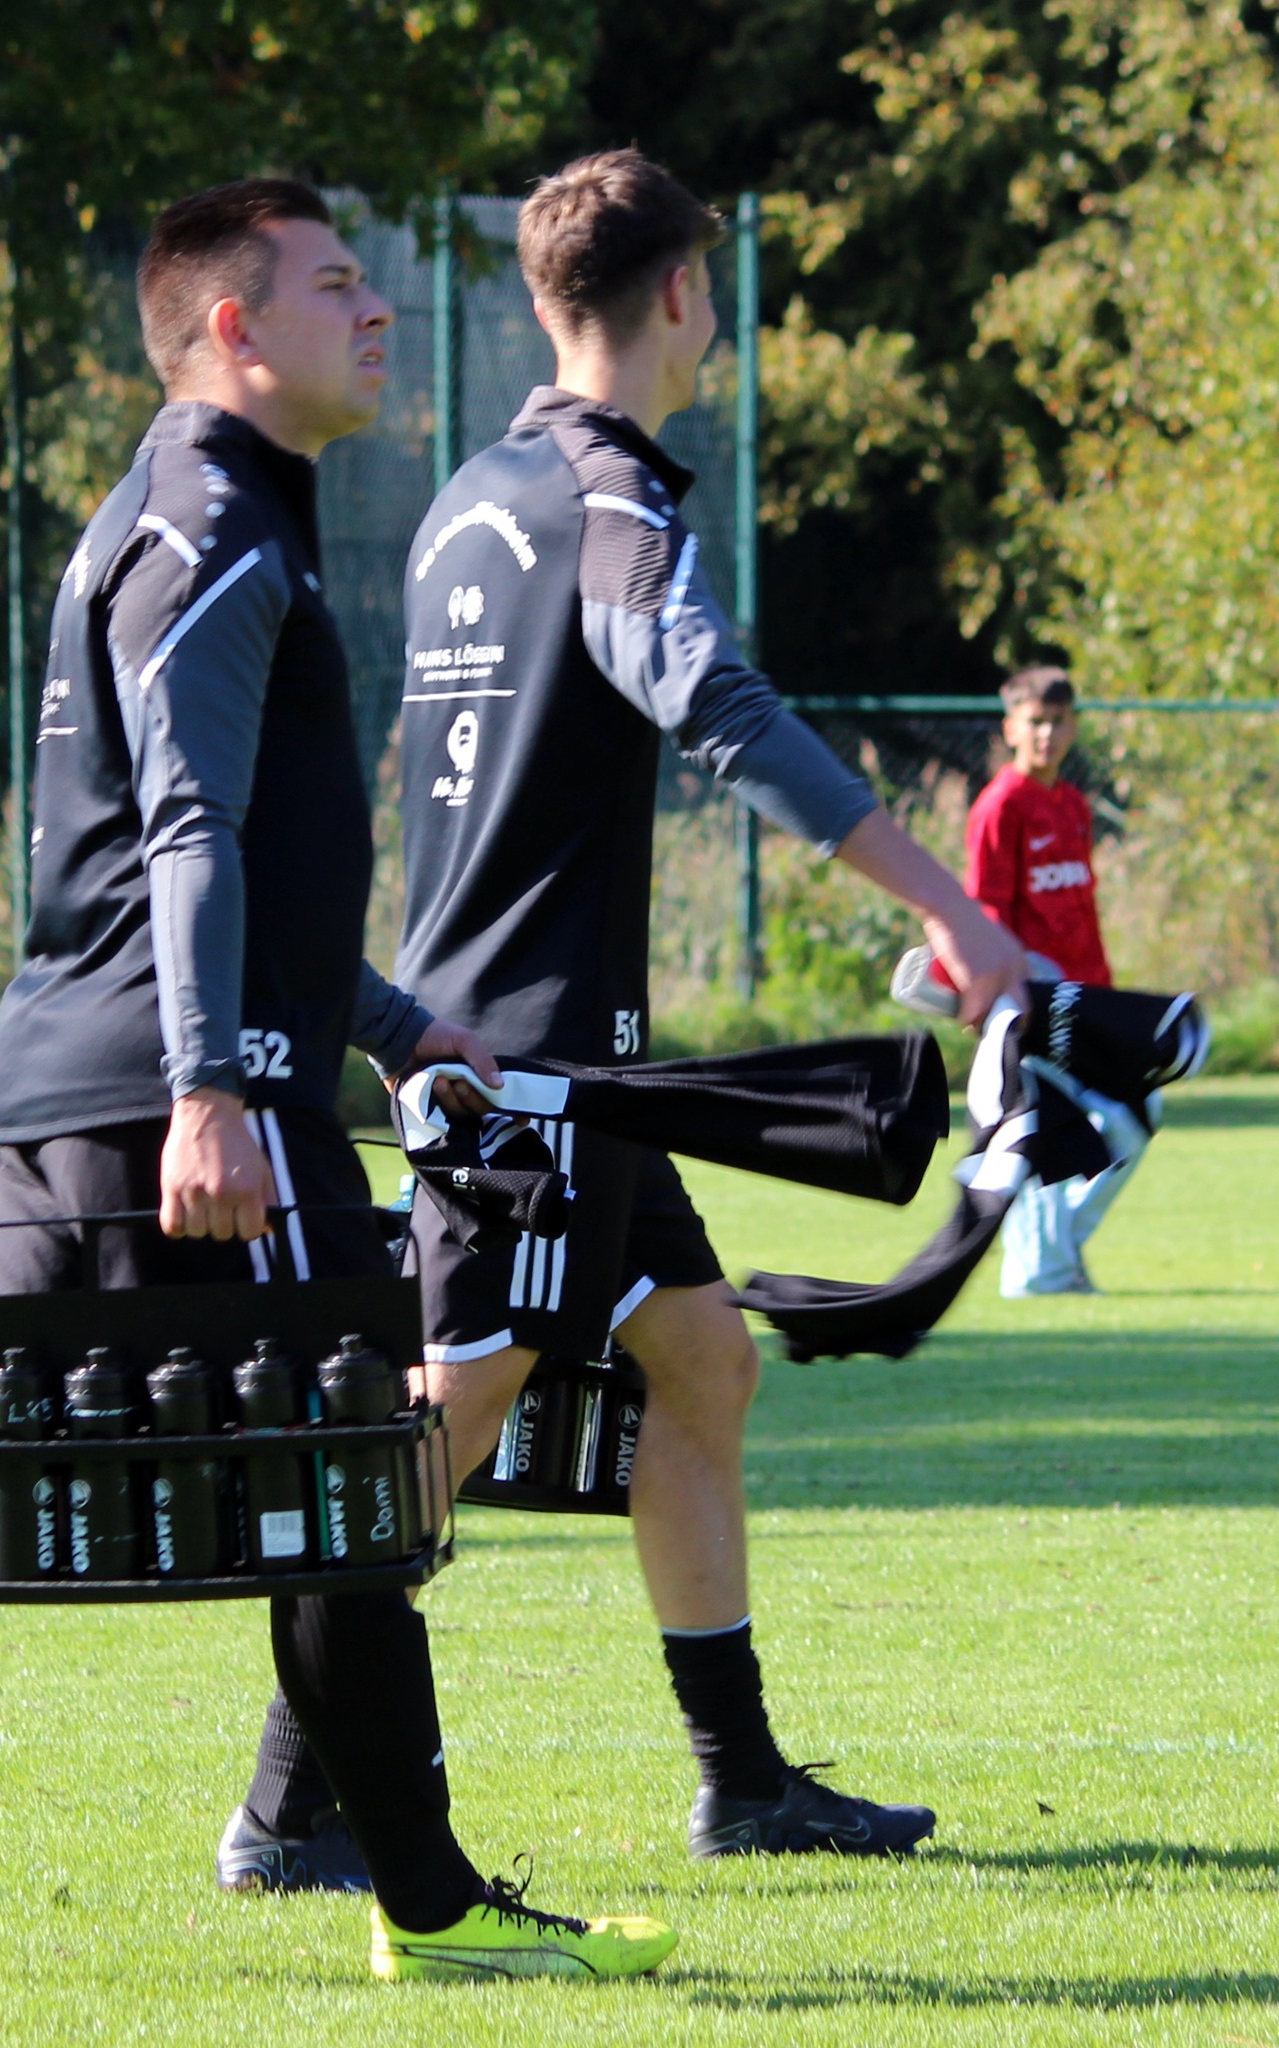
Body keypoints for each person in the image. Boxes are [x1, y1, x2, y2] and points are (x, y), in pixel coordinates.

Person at [0, 178, 675, 1988]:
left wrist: (386, 1020)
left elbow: (220, 859)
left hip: (85, 1078)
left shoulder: (181, 509)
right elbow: (189, 823)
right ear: (232, 328)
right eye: (332, 283)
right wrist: (215, 1084)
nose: (375, 309)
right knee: (348, 1460)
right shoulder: (215, 519)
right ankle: (433, 1909)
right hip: (185, 1095)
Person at [225, 149, 1027, 1883]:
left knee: (702, 1361)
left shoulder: (469, 498)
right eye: (709, 284)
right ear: (681, 296)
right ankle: (286, 1810)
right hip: (524, 1070)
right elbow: (716, 704)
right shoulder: (610, 503)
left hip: (552, 1055)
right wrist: (950, 907)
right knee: (445, 1419)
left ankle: (743, 1783)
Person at [966, 666, 1150, 1296]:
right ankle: (1042, 1271)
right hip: (1034, 1004)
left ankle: (1053, 1255)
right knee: (1052, 1129)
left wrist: (1105, 995)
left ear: (1073, 727)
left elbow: (1079, 911)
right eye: (1035, 722)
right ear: (1011, 728)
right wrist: (1008, 993)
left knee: (1139, 1116)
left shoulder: (1072, 805)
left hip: (1087, 1000)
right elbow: (986, 912)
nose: (1046, 734)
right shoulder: (1000, 806)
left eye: (1058, 721)